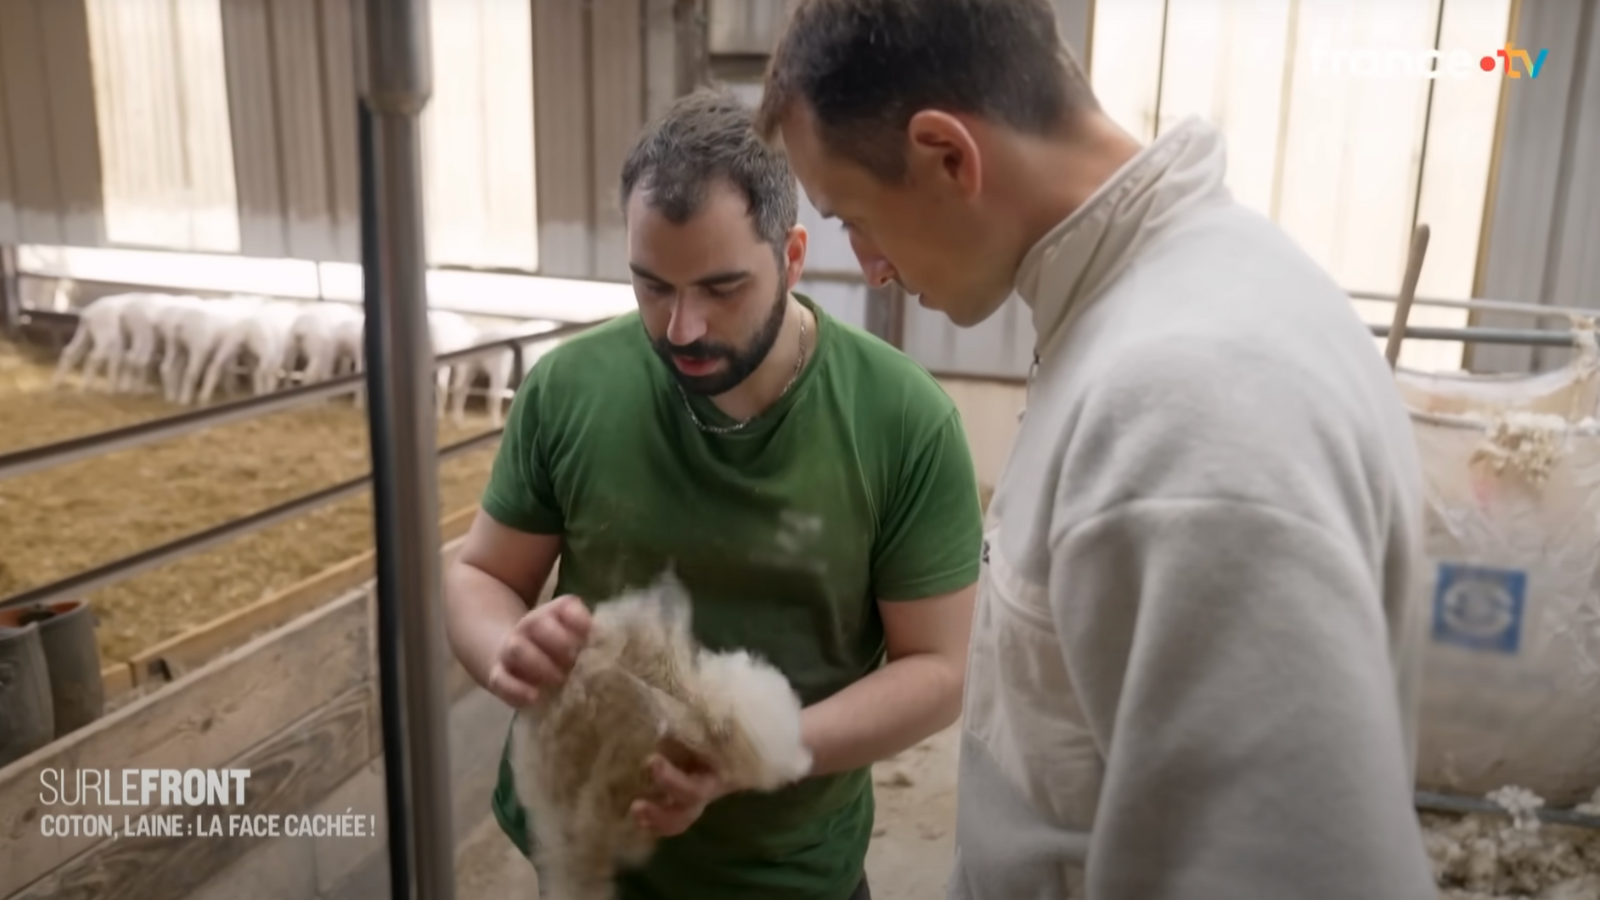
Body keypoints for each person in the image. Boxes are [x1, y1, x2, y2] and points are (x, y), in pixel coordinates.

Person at [755, 2, 1439, 898]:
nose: (870, 264)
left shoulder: (1189, 407)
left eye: (852, 215)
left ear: (947, 156)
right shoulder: (1161, 302)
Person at [442, 87, 984, 900]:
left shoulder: (905, 422)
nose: (681, 327)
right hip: (585, 857)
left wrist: (755, 749)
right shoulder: (568, 388)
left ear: (793, 256)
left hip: (787, 874)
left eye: (720, 288)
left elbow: (939, 670)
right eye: (651, 286)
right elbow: (481, 574)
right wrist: (503, 652)